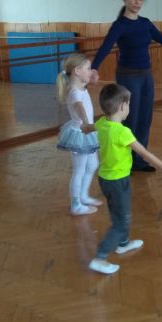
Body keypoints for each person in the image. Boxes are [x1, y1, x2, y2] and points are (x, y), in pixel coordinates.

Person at [90, 0, 162, 172]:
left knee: (145, 118)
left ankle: (139, 160)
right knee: (131, 117)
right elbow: (106, 46)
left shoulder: (145, 23)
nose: (137, 2)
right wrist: (94, 68)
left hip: (146, 75)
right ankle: (126, 159)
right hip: (128, 76)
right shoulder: (120, 25)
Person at [88, 83, 162, 275]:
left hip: (106, 179)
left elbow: (90, 127)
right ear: (123, 106)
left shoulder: (102, 123)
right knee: (121, 221)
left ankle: (123, 243)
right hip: (117, 181)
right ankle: (100, 257)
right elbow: (145, 154)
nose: (129, 107)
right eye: (129, 104)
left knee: (119, 211)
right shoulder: (122, 132)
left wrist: (83, 127)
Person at [56, 53, 102, 216]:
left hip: (86, 132)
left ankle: (83, 196)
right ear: (77, 71)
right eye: (88, 69)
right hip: (81, 133)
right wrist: (87, 123)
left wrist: (92, 75)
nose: (91, 71)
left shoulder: (81, 86)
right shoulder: (75, 92)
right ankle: (76, 205)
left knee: (92, 165)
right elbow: (79, 106)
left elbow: (90, 79)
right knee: (79, 170)